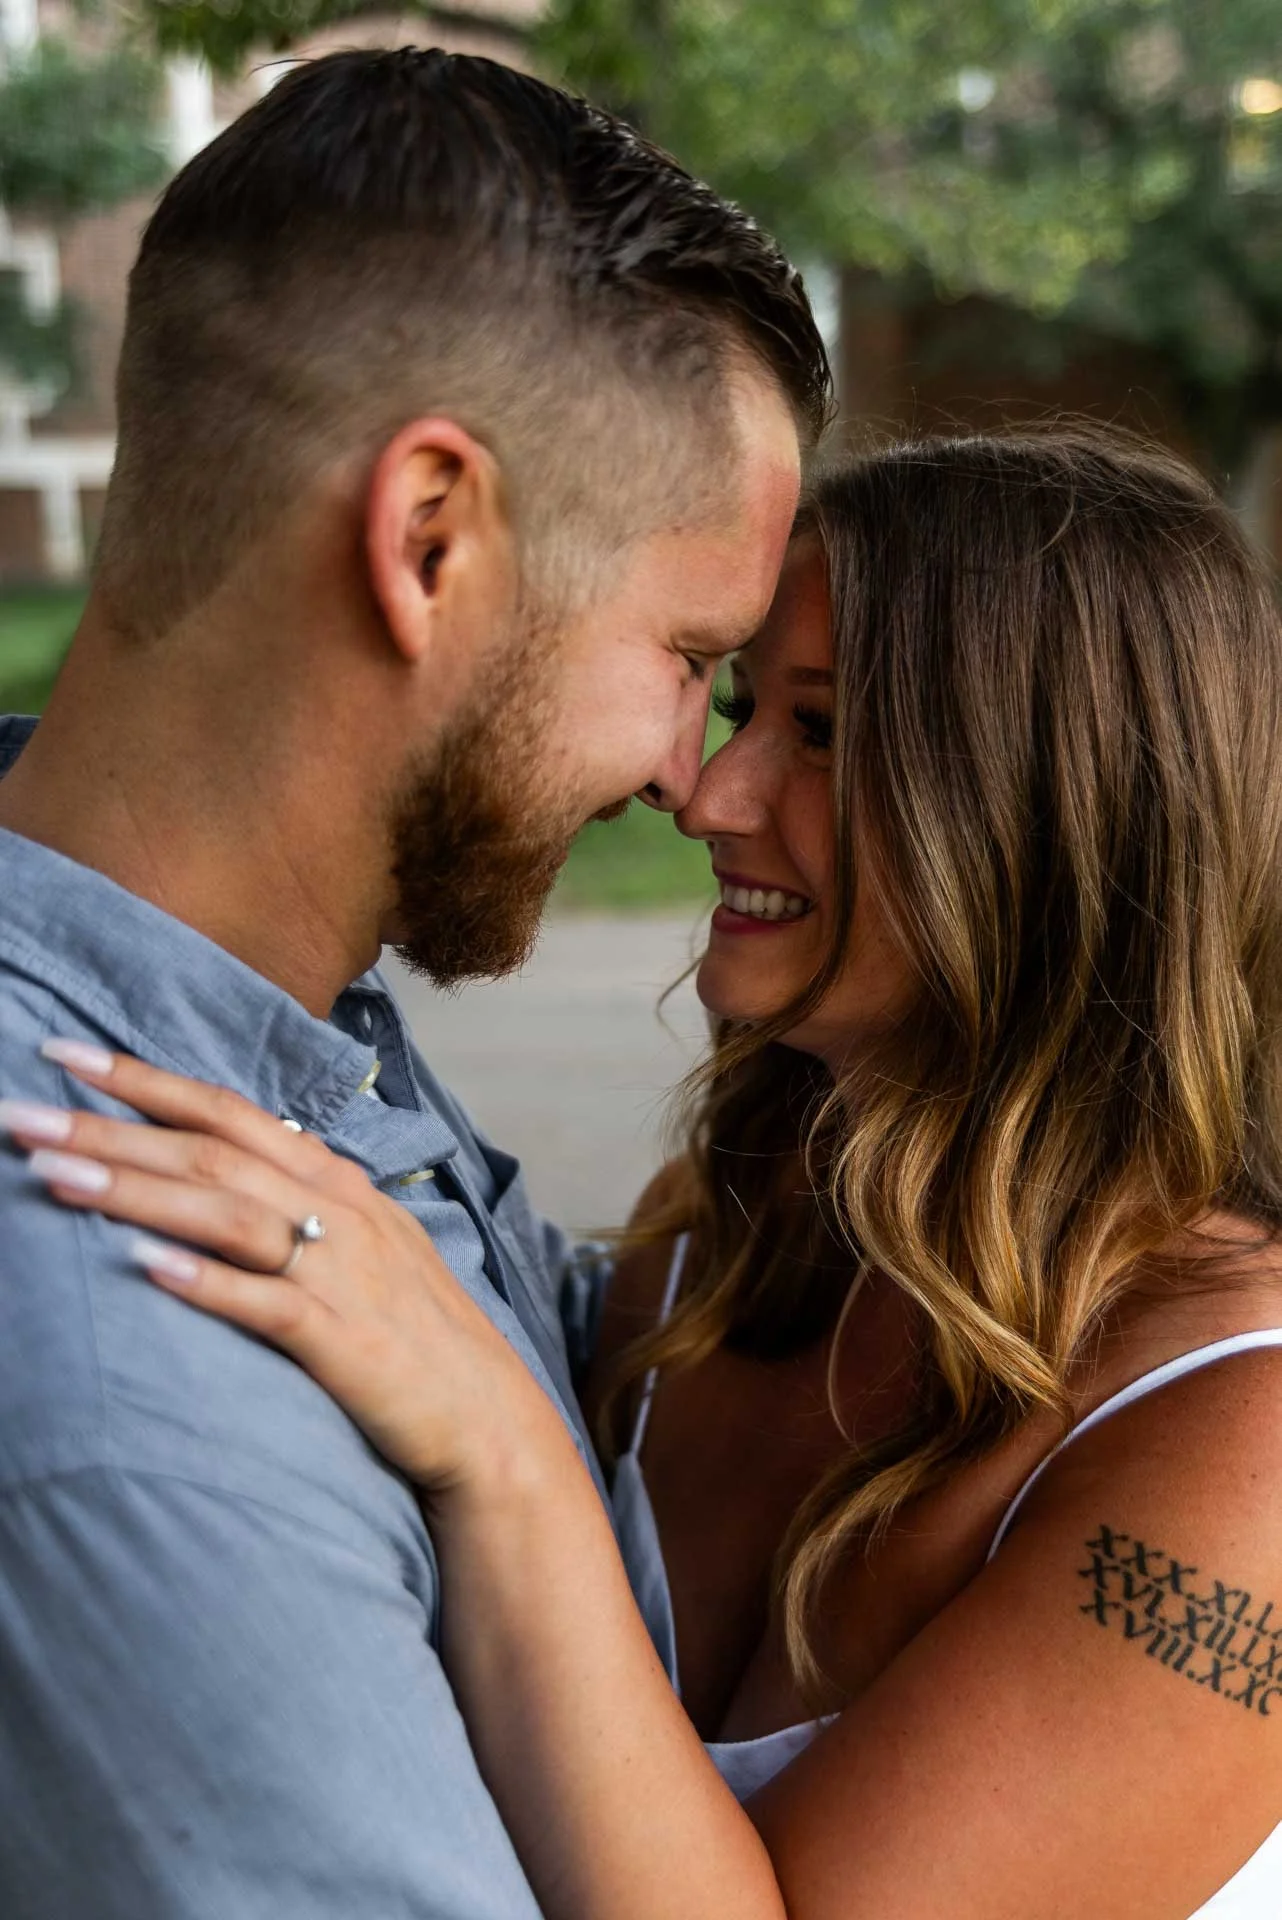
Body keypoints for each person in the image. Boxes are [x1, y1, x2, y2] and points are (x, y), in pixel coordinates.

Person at [22, 429, 1282, 1919]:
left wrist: (507, 1459)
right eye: (734, 704)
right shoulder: (757, 1217)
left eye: (813, 735)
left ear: (1040, 812)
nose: (705, 795)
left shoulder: (1233, 1452)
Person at [0, 45, 829, 1918]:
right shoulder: (137, 1383)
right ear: (430, 538)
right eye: (692, 654)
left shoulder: (258, 1019)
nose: (693, 783)